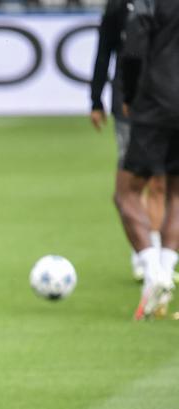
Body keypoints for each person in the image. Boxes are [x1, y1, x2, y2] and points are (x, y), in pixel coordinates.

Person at [90, 0, 167, 283]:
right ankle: (142, 253)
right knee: (133, 183)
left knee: (159, 182)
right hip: (127, 105)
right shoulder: (118, 7)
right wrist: (95, 98)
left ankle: (156, 258)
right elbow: (104, 51)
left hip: (163, 104)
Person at [117, 0, 179, 319]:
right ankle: (168, 272)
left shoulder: (148, 3)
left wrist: (128, 96)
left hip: (155, 104)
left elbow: (132, 52)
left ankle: (153, 272)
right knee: (176, 194)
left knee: (126, 193)